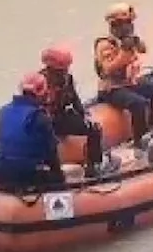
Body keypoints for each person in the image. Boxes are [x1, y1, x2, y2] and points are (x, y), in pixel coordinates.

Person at [93, 2, 153, 142]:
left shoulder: (126, 40)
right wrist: (124, 54)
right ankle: (140, 139)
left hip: (128, 83)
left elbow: (143, 49)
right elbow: (107, 69)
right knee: (138, 103)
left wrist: (134, 43)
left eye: (129, 22)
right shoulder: (105, 44)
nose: (128, 26)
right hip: (111, 89)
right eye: (124, 23)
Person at [39, 45, 104, 176]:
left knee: (94, 129)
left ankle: (93, 165)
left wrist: (84, 116)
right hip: (43, 122)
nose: (63, 72)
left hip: (61, 117)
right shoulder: (39, 82)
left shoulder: (68, 79)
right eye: (60, 70)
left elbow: (75, 100)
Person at [0, 73, 64, 190]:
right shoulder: (40, 117)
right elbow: (52, 153)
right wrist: (60, 177)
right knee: (57, 179)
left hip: (3, 174)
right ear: (41, 93)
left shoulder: (4, 111)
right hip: (28, 175)